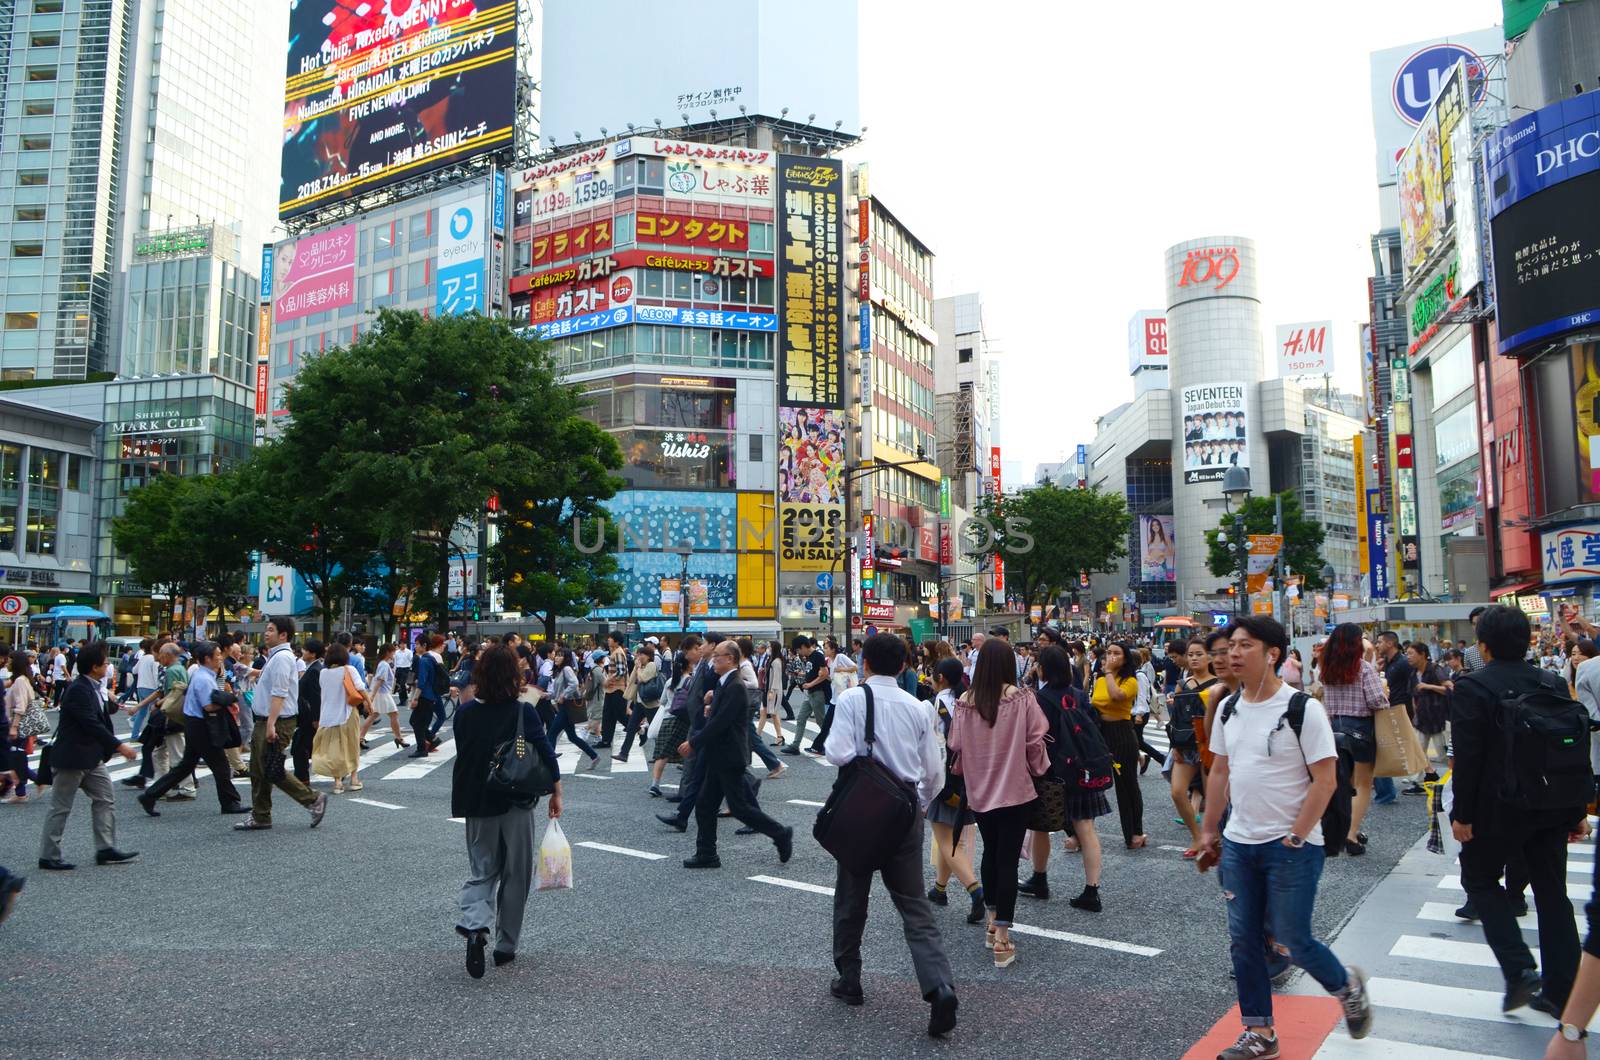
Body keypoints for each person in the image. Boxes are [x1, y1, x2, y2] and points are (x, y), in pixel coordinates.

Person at [1198, 615, 1372, 1060]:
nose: (1232, 654)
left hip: (1292, 847)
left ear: (1272, 654)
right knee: (1244, 940)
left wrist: (1296, 836)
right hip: (1239, 844)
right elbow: (1219, 770)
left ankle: (1345, 986)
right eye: (1229, 646)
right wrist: (1209, 830)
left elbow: (1326, 780)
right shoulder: (1227, 707)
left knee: (1293, 939)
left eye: (1244, 645)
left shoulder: (1302, 708)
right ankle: (1261, 1032)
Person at [1451, 604, 1588, 1017]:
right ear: (1529, 641)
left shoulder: (1473, 687)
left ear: (1484, 646)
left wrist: (1462, 815)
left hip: (1498, 808)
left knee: (1479, 880)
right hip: (1551, 803)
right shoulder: (1550, 681)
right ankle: (1561, 992)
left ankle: (1519, 969)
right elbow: (1570, 748)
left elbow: (1469, 759)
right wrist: (1576, 808)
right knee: (1552, 894)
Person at [822, 632, 959, 1038]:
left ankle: (850, 980)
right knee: (915, 905)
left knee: (851, 896)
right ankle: (939, 987)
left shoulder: (851, 700)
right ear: (904, 666)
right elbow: (934, 772)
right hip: (904, 813)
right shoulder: (918, 707)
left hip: (862, 812)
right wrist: (916, 802)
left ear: (864, 663)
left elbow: (836, 753)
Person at [450, 643, 563, 977]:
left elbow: (464, 754)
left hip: (477, 801)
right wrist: (556, 792)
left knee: (482, 869)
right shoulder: (521, 711)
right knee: (516, 874)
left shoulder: (466, 712)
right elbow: (545, 752)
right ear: (515, 676)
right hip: (515, 800)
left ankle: (474, 926)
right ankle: (505, 946)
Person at [948, 637, 1048, 968]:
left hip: (980, 790)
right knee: (1008, 860)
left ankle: (992, 922)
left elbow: (956, 745)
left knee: (992, 853)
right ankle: (1003, 939)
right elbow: (1036, 741)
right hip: (1015, 788)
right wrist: (1040, 769)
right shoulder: (1021, 698)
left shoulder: (964, 700)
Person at [678, 638, 793, 870]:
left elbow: (721, 723)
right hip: (719, 755)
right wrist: (711, 702)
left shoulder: (735, 686)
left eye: (716, 656)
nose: (713, 659)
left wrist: (694, 741)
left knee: (739, 808)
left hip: (729, 756)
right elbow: (720, 714)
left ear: (729, 659)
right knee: (705, 805)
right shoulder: (725, 683)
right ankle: (707, 854)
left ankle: (780, 834)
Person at [1020, 645, 1111, 910]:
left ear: (1043, 669)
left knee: (1040, 827)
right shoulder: (1079, 696)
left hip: (1051, 773)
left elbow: (1036, 739)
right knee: (1086, 829)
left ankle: (1040, 879)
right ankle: (1091, 890)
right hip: (1084, 769)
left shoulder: (1040, 698)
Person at [38, 640, 140, 870]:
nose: (108, 667)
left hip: (91, 757)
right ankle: (48, 855)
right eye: (105, 663)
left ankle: (105, 848)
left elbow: (100, 716)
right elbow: (91, 724)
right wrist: (119, 746)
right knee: (61, 807)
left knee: (105, 798)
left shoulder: (92, 687)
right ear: (94, 667)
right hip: (72, 757)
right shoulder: (78, 690)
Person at [234, 617, 328, 832]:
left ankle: (313, 800)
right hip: (268, 720)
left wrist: (271, 724)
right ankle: (261, 815)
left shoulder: (282, 658)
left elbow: (280, 692)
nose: (266, 633)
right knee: (259, 770)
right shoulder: (276, 657)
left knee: (270, 769)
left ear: (283, 635)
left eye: (270, 630)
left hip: (275, 721)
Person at [138, 641, 249, 817]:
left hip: (195, 725)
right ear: (207, 658)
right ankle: (230, 803)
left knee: (185, 766)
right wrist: (229, 700)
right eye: (218, 654)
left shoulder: (203, 675)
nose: (220, 657)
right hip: (202, 726)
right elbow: (209, 707)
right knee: (219, 765)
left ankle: (150, 795)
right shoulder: (204, 678)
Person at [1317, 623, 1387, 856]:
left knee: (1344, 785)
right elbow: (1377, 701)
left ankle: (1345, 829)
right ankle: (1350, 834)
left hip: (1335, 730)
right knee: (1363, 785)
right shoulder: (1363, 669)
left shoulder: (1326, 668)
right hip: (1360, 730)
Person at [925, 657, 984, 923]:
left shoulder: (940, 703)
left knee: (946, 840)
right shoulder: (969, 699)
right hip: (969, 778)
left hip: (946, 780)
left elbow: (936, 745)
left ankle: (975, 890)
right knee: (950, 835)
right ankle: (939, 889)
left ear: (941, 678)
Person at [1090, 640, 1147, 849]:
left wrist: (1109, 673)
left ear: (1125, 658)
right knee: (1091, 783)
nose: (1111, 656)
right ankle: (1080, 833)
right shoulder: (1100, 680)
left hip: (1122, 734)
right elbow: (1095, 703)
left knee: (1126, 784)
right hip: (1102, 734)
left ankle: (1135, 831)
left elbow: (1116, 696)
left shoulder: (1130, 680)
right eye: (1109, 652)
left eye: (1116, 653)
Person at [314, 643, 368, 793]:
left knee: (334, 749)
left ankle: (337, 782)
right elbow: (360, 688)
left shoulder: (323, 673)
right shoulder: (349, 670)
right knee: (352, 745)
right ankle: (354, 779)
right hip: (348, 713)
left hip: (328, 716)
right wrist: (369, 704)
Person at [1404, 641, 1451, 796]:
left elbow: (1449, 688)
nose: (1408, 657)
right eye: (1407, 653)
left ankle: (1455, 779)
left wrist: (1428, 686)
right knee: (1417, 751)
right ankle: (1417, 782)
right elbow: (1413, 697)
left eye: (1411, 653)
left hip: (1439, 719)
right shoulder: (1412, 674)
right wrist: (1414, 715)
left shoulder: (1435, 669)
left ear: (1423, 654)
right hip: (1421, 719)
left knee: (1444, 754)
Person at [781, 635, 829, 755]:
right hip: (810, 693)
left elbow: (824, 673)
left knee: (821, 722)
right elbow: (813, 672)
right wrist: (803, 677)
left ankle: (829, 745)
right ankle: (795, 746)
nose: (798, 653)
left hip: (818, 692)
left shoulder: (817, 655)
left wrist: (811, 684)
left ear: (803, 646)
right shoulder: (808, 657)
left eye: (798, 650)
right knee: (801, 718)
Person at [615, 643, 660, 763]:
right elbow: (632, 680)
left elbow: (642, 679)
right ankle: (623, 754)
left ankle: (659, 755)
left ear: (649, 656)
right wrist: (636, 667)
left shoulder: (651, 665)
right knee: (630, 727)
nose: (639, 656)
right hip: (639, 703)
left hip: (651, 704)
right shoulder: (639, 665)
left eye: (642, 654)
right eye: (639, 654)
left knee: (655, 730)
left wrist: (639, 667)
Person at [360, 643, 407, 750]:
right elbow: (380, 681)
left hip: (380, 693)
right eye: (393, 651)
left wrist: (372, 695)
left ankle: (360, 737)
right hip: (382, 694)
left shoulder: (383, 663)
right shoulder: (384, 665)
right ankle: (399, 738)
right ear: (387, 652)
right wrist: (371, 696)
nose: (394, 653)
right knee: (393, 714)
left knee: (374, 715)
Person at [410, 633, 446, 758]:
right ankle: (432, 739)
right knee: (418, 722)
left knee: (416, 722)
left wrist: (415, 698)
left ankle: (422, 748)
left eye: (417, 644)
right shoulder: (430, 658)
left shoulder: (424, 660)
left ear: (424, 645)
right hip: (431, 695)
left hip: (425, 696)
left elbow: (422, 681)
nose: (415, 647)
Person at [295, 639, 325, 781]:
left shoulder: (314, 670)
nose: (303, 652)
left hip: (309, 716)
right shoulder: (313, 667)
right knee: (309, 746)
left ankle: (302, 778)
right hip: (307, 715)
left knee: (300, 747)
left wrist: (316, 718)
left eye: (305, 650)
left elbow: (316, 696)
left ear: (313, 654)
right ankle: (302, 777)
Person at [596, 632, 630, 750]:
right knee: (608, 715)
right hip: (612, 689)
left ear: (616, 641)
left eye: (610, 638)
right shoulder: (615, 652)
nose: (608, 640)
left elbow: (621, 672)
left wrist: (608, 679)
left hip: (618, 688)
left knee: (620, 714)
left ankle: (638, 729)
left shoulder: (619, 653)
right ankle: (606, 740)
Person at [759, 640, 787, 749]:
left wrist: (772, 691)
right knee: (766, 713)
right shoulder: (772, 659)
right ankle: (759, 736)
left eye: (769, 646)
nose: (768, 648)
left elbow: (776, 677)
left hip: (772, 691)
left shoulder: (776, 661)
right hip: (768, 690)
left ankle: (759, 737)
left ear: (774, 648)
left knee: (772, 714)